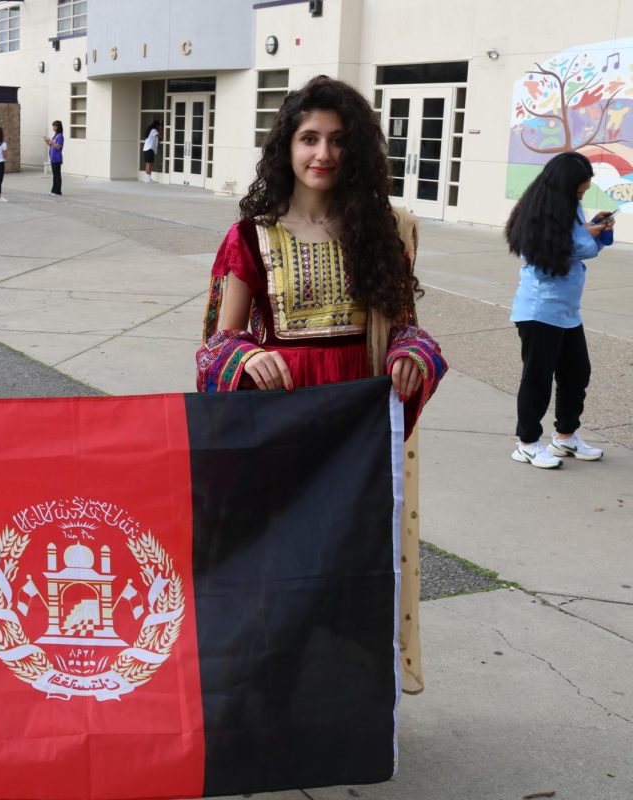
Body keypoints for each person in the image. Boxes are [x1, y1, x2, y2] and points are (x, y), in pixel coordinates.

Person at [194, 75, 445, 696]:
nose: (323, 154)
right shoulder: (251, 235)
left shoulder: (384, 231)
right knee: (279, 564)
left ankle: (345, 705)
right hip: (281, 427)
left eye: (337, 140)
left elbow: (407, 328)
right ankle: (266, 701)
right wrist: (247, 358)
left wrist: (413, 354)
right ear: (286, 147)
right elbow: (216, 345)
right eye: (309, 138)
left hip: (353, 429)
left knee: (348, 564)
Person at [506, 151, 614, 468]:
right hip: (540, 311)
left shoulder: (568, 206)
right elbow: (570, 247)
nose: (581, 196)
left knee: (577, 373)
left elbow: (577, 240)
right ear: (563, 186)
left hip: (567, 311)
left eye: (583, 192)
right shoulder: (537, 213)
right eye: (578, 191)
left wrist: (591, 229)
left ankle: (565, 437)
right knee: (537, 379)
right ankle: (526, 442)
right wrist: (592, 236)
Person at [44, 120, 64, 196]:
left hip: (57, 158)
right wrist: (47, 141)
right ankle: (53, 190)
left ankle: (57, 191)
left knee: (57, 175)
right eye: (53, 126)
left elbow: (58, 147)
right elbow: (52, 145)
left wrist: (51, 141)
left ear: (58, 127)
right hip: (53, 158)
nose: (53, 127)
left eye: (54, 126)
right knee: (55, 175)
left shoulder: (60, 136)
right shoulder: (55, 135)